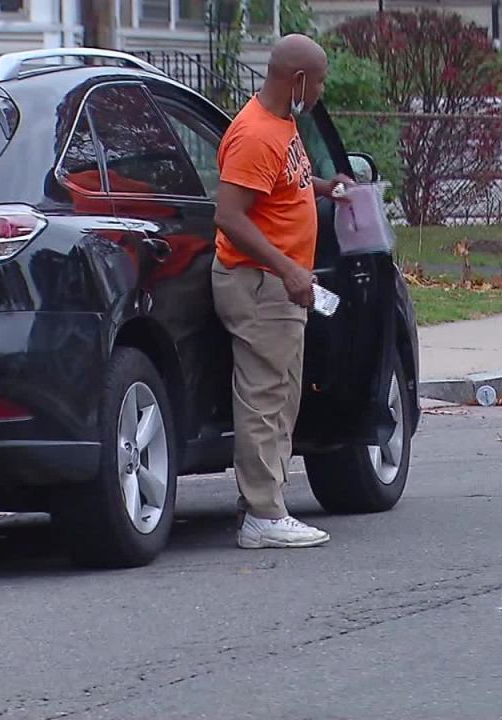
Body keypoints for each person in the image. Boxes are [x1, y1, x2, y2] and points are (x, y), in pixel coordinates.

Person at [211, 33, 354, 549]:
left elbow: (280, 188)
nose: (318, 93)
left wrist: (322, 187)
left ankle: (267, 502)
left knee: (281, 391)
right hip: (260, 283)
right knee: (264, 396)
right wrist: (287, 269)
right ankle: (262, 514)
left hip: (279, 284)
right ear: (297, 79)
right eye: (317, 82)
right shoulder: (254, 134)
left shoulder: (281, 126)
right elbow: (229, 216)